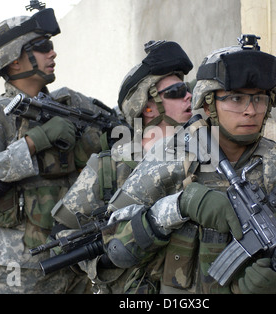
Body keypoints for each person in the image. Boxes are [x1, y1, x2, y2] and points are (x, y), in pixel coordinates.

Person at [101, 36, 276, 294]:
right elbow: (114, 247)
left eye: (259, 99)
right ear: (209, 103)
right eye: (236, 99)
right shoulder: (170, 158)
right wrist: (177, 207)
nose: (250, 110)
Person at [0, 8, 109, 293]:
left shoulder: (72, 104)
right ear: (13, 60)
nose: (52, 53)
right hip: (17, 268)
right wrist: (32, 143)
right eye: (42, 47)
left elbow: (121, 131)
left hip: (77, 258)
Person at [49, 40, 194, 293]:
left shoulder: (200, 155)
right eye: (177, 91)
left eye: (187, 87)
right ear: (147, 106)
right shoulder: (110, 166)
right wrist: (109, 256)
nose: (189, 95)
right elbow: (62, 237)